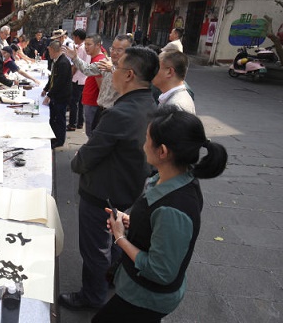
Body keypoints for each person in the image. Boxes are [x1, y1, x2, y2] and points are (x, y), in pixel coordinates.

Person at [93, 106, 228, 322]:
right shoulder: (172, 179)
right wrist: (133, 223)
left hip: (147, 297)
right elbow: (158, 230)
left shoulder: (174, 208)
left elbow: (160, 271)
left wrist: (119, 237)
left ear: (162, 151)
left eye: (146, 139)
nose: (143, 144)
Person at [62, 47, 159, 310]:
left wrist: (76, 164)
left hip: (102, 192)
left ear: (129, 75)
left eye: (116, 67)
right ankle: (112, 277)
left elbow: (88, 155)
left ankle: (92, 296)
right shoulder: (151, 105)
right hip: (129, 187)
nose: (111, 71)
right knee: (115, 240)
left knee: (95, 249)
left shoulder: (120, 113)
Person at [67, 34, 133, 131]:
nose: (114, 53)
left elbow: (127, 85)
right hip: (101, 109)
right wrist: (75, 58)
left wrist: (112, 69)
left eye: (119, 50)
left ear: (128, 52)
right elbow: (87, 69)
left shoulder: (130, 69)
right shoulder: (105, 61)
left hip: (115, 113)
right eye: (112, 48)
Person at [41, 40, 72, 149]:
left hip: (61, 96)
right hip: (56, 94)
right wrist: (46, 89)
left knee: (59, 118)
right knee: (53, 117)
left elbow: (59, 82)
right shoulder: (56, 61)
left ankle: (59, 140)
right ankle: (53, 136)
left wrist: (49, 95)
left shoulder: (63, 63)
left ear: (54, 50)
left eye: (49, 51)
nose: (48, 54)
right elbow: (52, 78)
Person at [81, 34, 106, 138]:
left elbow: (101, 86)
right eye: (85, 44)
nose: (86, 47)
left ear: (98, 45)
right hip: (90, 100)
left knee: (91, 132)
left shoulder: (99, 61)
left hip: (93, 102)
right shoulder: (95, 58)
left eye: (89, 44)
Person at [66, 29, 89, 131]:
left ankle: (72, 124)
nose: (74, 39)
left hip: (78, 78)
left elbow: (76, 63)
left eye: (74, 37)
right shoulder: (87, 47)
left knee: (73, 102)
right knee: (80, 102)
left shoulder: (80, 48)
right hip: (84, 78)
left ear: (78, 37)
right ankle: (80, 122)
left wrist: (71, 75)